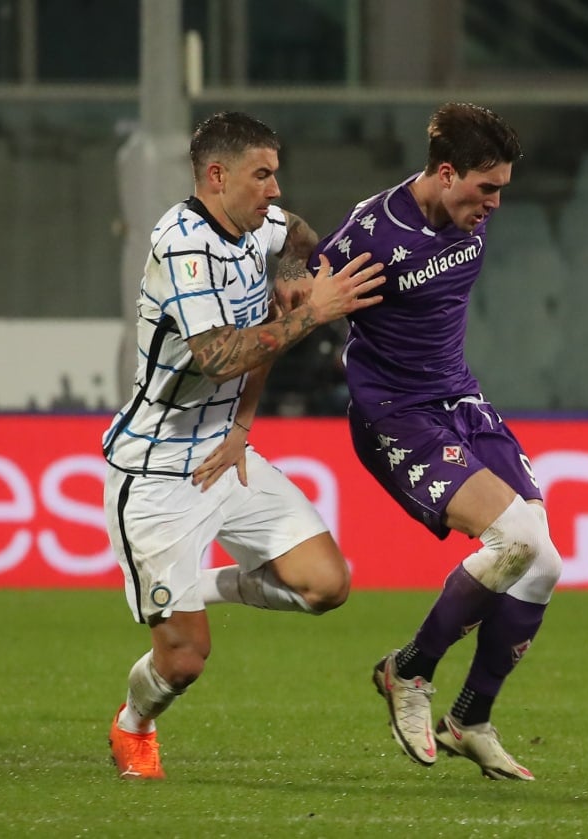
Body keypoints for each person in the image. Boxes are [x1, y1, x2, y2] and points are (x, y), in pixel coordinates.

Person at [101, 111, 387, 780]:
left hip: (227, 456)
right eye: (263, 174)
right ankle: (132, 724)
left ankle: (195, 586)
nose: (275, 188)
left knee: (327, 584)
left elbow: (299, 233)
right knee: (184, 659)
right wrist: (313, 309)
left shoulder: (261, 223)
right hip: (157, 471)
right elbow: (219, 355)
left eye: (276, 171)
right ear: (218, 175)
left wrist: (291, 267)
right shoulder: (181, 241)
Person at [309, 102, 561, 781]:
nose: (496, 203)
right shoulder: (374, 234)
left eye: (503, 187)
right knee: (514, 542)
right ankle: (409, 670)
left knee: (543, 563)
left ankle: (471, 716)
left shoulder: (461, 216)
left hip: (462, 401)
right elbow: (307, 295)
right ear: (445, 173)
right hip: (398, 416)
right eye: (486, 188)